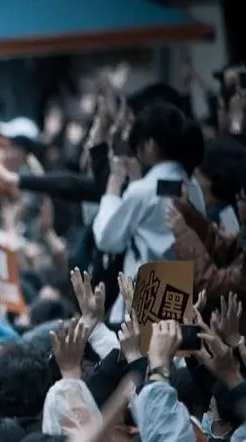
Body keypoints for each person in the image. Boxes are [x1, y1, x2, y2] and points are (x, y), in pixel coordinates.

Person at [91, 102, 207, 322]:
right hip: (183, 290)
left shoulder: (143, 190)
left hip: (148, 288)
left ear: (151, 145)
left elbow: (107, 238)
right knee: (172, 353)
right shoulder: (192, 188)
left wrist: (114, 183)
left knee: (141, 354)